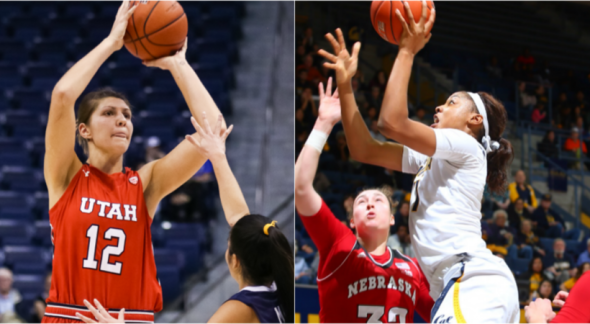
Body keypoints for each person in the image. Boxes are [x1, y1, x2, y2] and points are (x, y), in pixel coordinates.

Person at [317, 3, 519, 322]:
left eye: (451, 103)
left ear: (475, 120)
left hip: (471, 282)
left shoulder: (466, 145)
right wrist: (345, 85)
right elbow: (364, 149)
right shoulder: (434, 157)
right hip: (466, 285)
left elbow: (391, 123)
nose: (439, 107)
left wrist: (407, 51)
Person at [42, 0, 227, 321]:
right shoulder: (66, 177)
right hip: (70, 316)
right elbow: (62, 96)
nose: (122, 120)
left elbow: (214, 131)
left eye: (127, 115)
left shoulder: (144, 185)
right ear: (82, 129)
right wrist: (112, 43)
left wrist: (178, 65)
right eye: (109, 113)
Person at [77, 114, 293, 324]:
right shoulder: (278, 293)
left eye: (229, 246)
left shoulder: (242, 308)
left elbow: (241, 222)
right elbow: (240, 220)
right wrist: (217, 156)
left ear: (235, 261)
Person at [294, 78, 433, 323]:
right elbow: (301, 188)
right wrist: (324, 123)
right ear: (351, 221)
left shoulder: (412, 267)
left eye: (379, 200)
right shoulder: (339, 244)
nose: (369, 203)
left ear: (392, 218)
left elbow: (439, 316)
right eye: (361, 202)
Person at [525, 272, 590, 323]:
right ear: (539, 288)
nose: (547, 288)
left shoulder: (587, 279)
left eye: (549, 286)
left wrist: (536, 318)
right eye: (544, 286)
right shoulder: (534, 296)